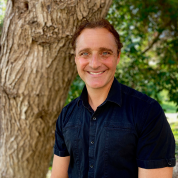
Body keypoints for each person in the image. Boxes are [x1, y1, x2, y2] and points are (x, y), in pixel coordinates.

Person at [51, 19, 176, 178]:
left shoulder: (147, 112)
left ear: (118, 56)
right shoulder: (66, 115)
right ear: (76, 58)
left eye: (105, 53)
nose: (94, 64)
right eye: (85, 53)